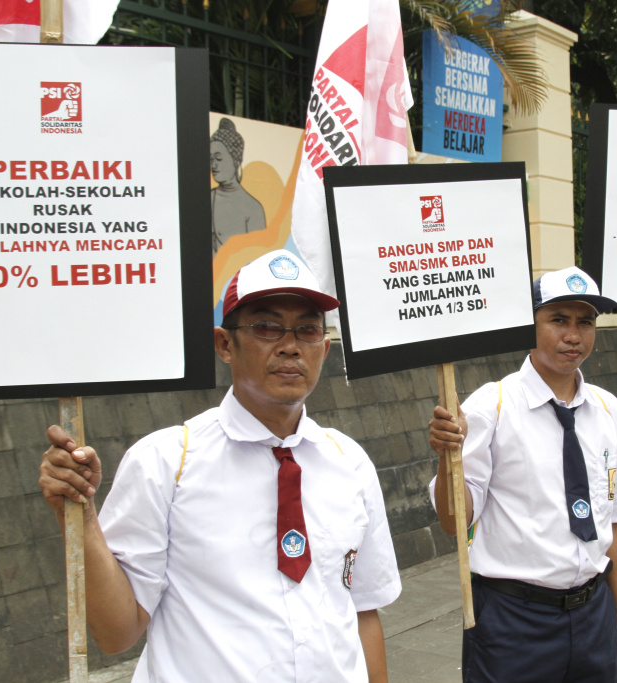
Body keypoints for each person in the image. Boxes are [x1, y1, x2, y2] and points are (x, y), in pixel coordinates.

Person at [38, 250, 401, 682]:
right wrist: (80, 518)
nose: (290, 345)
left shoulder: (350, 463)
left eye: (307, 329)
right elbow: (117, 634)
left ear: (324, 347)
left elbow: (362, 611)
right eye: (267, 327)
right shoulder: (166, 463)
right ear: (225, 344)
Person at [428, 266, 617, 682]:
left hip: (593, 612)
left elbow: (614, 524)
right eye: (558, 320)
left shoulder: (610, 411)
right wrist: (446, 455)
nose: (574, 336)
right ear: (530, 325)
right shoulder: (490, 407)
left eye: (586, 322)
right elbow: (455, 522)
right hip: (513, 620)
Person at [211, 117, 267, 256]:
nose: (214, 165)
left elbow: (259, 259)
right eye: (210, 159)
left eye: (219, 158)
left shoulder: (253, 208)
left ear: (235, 160)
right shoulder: (208, 199)